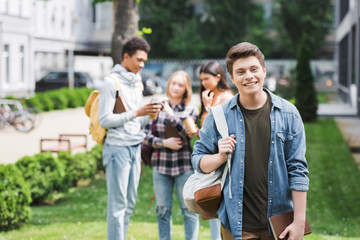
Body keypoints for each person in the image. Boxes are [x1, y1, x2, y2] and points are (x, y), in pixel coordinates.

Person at [192, 42, 309, 240]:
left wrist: (299, 222)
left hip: (280, 223)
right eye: (241, 71)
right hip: (236, 225)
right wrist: (219, 157)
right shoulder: (219, 116)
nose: (249, 76)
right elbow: (198, 161)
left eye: (254, 69)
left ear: (263, 71)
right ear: (231, 77)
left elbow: (298, 170)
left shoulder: (289, 113)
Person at [98, 37, 161, 240]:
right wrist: (137, 112)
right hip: (117, 149)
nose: (142, 65)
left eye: (144, 61)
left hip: (135, 147)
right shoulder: (111, 82)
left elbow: (136, 120)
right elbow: (105, 120)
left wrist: (149, 114)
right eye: (139, 60)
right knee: (118, 204)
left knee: (130, 202)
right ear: (126, 56)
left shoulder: (136, 83)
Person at [143, 71, 199, 240]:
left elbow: (187, 133)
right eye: (173, 83)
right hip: (160, 166)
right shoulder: (155, 105)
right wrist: (163, 143)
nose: (175, 87)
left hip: (184, 167)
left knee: (189, 211)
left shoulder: (191, 110)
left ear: (186, 89)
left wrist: (169, 112)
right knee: (162, 211)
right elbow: (144, 134)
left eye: (180, 85)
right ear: (168, 84)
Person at [198, 61, 234, 240]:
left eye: (206, 78)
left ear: (218, 77)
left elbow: (215, 129)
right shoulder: (212, 96)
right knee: (212, 202)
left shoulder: (225, 97)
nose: (203, 83)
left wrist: (206, 107)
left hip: (223, 157)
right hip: (212, 157)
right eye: (201, 79)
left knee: (219, 202)